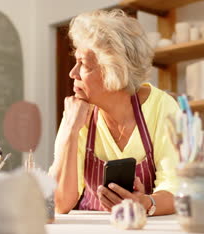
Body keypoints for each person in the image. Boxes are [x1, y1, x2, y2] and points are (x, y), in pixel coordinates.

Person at [50, 9, 180, 216]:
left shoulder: (162, 107)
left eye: (83, 63)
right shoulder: (78, 114)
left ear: (114, 70)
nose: (72, 73)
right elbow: (59, 203)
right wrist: (70, 131)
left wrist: (145, 203)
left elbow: (177, 190)